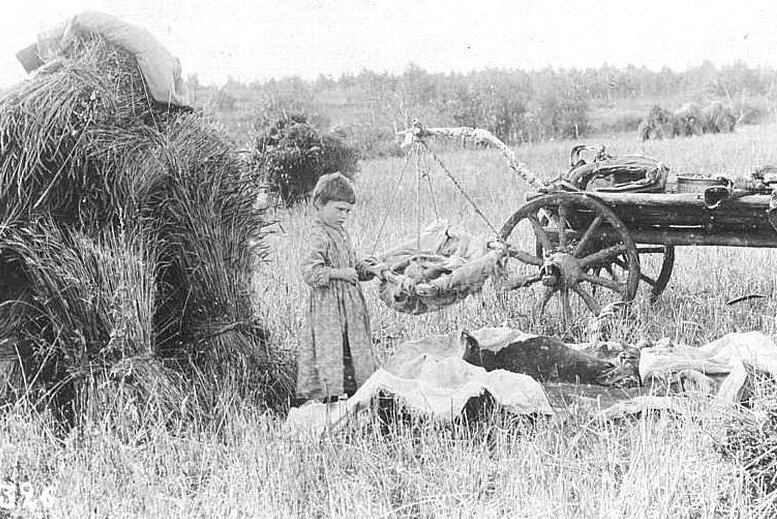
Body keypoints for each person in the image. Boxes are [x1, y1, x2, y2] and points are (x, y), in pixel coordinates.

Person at [296, 172, 382, 404]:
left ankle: (355, 400)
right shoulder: (318, 235)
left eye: (347, 211)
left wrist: (371, 270)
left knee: (352, 348)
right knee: (330, 353)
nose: (344, 216)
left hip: (350, 309)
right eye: (339, 209)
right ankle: (329, 401)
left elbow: (352, 266)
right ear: (320, 205)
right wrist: (339, 274)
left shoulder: (342, 233)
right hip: (329, 309)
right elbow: (310, 272)